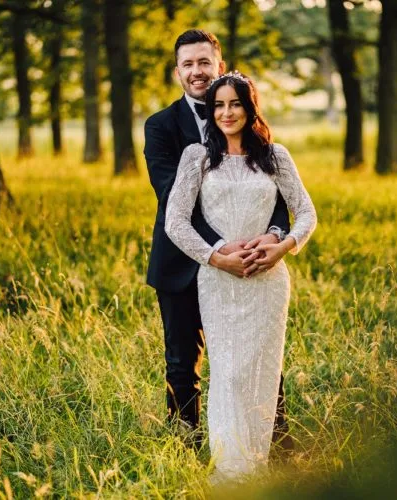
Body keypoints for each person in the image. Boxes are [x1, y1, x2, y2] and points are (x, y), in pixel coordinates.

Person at [165, 72, 317, 481]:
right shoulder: (197, 157)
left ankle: (259, 470)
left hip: (268, 283)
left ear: (251, 108)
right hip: (219, 282)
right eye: (218, 105)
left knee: (262, 374)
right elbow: (175, 223)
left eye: (235, 104)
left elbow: (305, 212)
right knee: (229, 373)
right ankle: (231, 472)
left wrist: (281, 246)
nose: (226, 113)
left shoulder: (275, 156)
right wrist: (216, 257)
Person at [143, 30, 291, 445]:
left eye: (204, 62)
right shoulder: (161, 127)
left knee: (259, 357)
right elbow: (175, 201)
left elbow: (274, 191)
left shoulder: (249, 120)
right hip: (181, 262)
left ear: (219, 66)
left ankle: (273, 443)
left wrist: (274, 235)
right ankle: (185, 446)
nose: (197, 71)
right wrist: (219, 249)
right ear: (177, 72)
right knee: (181, 363)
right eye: (188, 64)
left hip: (247, 263)